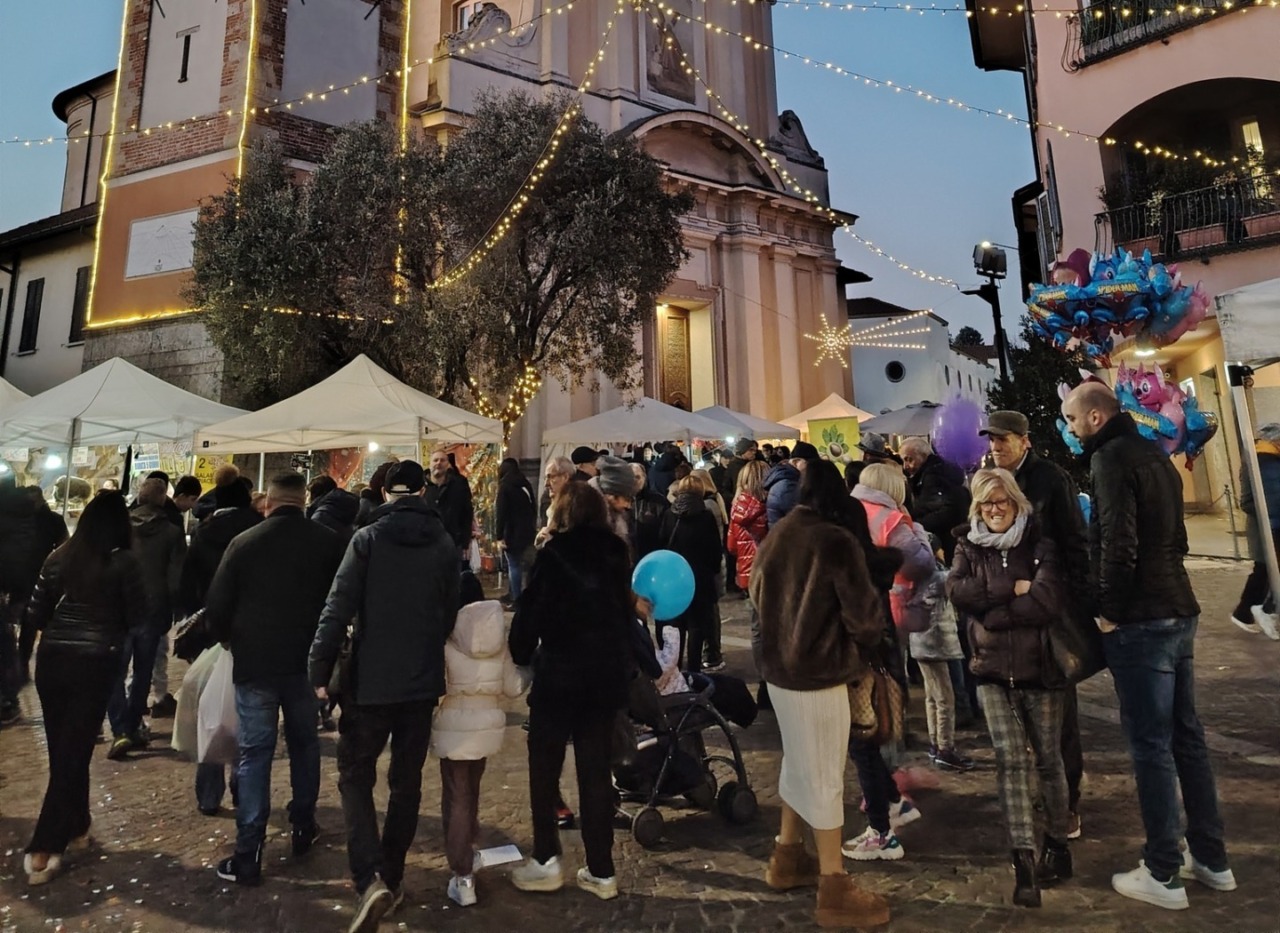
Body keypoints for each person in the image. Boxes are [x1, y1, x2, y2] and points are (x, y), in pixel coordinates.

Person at [1062, 382, 1234, 909]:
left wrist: (1108, 610)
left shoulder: (1111, 458)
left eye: (1071, 418)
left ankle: (1163, 870)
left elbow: (1116, 538)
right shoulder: (1154, 455)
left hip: (1141, 619)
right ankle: (1211, 858)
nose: (1068, 428)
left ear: (1095, 417)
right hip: (1177, 607)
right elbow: (1174, 538)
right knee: (1187, 738)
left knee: (1152, 746)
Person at [309, 460, 460, 932]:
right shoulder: (442, 543)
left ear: (388, 493)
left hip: (371, 679)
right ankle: (391, 876)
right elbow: (449, 613)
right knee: (406, 780)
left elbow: (339, 604)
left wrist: (318, 667)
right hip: (420, 680)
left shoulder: (368, 539)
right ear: (420, 491)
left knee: (355, 775)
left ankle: (367, 875)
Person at [750, 461, 892, 930]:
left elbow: (754, 591)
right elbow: (865, 617)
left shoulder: (779, 534)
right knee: (827, 775)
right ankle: (834, 885)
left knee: (797, 763)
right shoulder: (835, 541)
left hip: (779, 673)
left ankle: (787, 854)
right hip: (820, 673)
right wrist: (866, 649)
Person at [204, 473, 345, 887]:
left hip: (256, 663)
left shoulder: (245, 543)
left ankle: (249, 851)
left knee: (254, 753)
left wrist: (231, 640)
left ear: (269, 502)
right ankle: (303, 825)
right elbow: (339, 603)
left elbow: (218, 607)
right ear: (303, 500)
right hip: (305, 664)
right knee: (304, 745)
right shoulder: (327, 543)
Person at [947, 469, 1072, 908]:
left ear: (1017, 502)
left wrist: (996, 610)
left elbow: (1048, 601)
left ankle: (1058, 842)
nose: (994, 510)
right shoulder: (967, 545)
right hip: (991, 671)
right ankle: (1023, 861)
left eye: (1001, 502)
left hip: (1041, 670)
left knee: (1049, 762)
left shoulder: (1041, 544)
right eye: (986, 504)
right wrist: (1012, 591)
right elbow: (957, 591)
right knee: (1010, 761)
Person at [508, 482, 634, 901]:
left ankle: (547, 858)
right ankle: (602, 869)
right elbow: (622, 614)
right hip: (603, 677)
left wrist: (521, 650)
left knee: (544, 769)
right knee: (595, 773)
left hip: (560, 676)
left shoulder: (554, 555)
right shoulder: (616, 553)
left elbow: (532, 612)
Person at [19, 492, 148, 884]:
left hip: (53, 659)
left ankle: (78, 824)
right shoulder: (124, 562)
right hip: (96, 661)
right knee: (71, 753)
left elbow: (36, 613)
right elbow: (138, 616)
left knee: (66, 748)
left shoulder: (58, 557)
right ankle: (46, 844)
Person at [982, 409, 1090, 836]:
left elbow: (1075, 542)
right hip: (1007, 617)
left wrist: (1076, 601)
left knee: (1059, 713)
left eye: (1003, 439)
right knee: (1019, 713)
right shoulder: (988, 480)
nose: (995, 447)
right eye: (991, 440)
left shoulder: (1050, 478)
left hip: (1047, 611)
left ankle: (1067, 802)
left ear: (1024, 440)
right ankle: (1039, 793)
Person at [852, 463, 971, 771]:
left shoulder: (852, 512)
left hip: (863, 607)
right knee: (903, 682)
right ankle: (899, 757)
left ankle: (885, 753)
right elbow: (920, 564)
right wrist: (918, 530)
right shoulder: (889, 518)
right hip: (902, 605)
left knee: (877, 683)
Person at [431, 572, 528, 907]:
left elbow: (435, 689)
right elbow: (513, 687)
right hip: (487, 730)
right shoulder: (497, 639)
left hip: (452, 731)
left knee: (456, 796)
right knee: (471, 791)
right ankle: (469, 848)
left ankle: (463, 875)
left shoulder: (444, 638)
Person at [178, 476, 263, 816]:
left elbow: (187, 584)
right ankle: (243, 790)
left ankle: (208, 795)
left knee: (210, 713)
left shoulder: (203, 531)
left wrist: (193, 616)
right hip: (251, 631)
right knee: (247, 715)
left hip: (210, 628)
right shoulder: (259, 530)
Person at [106, 476, 186, 760]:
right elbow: (175, 578)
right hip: (153, 608)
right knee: (143, 671)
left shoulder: (119, 528)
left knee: (115, 671)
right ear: (163, 499)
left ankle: (120, 729)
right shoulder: (173, 532)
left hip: (120, 607)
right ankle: (130, 725)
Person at [1, 481, 68, 725]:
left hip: (25, 582)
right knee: (22, 629)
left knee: (17, 632)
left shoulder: (24, 520)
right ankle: (13, 686)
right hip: (28, 580)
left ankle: (10, 693)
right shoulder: (31, 521)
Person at [656, 476, 723, 673]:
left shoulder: (669, 514)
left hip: (675, 578)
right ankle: (694, 670)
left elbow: (661, 543)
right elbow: (714, 550)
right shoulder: (706, 516)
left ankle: (675, 668)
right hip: (700, 579)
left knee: (676, 626)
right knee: (697, 626)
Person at [150, 475, 202, 719]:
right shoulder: (169, 523)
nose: (192, 506)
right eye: (191, 500)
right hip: (158, 598)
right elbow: (176, 566)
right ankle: (158, 696)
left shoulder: (133, 519)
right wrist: (177, 599)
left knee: (143, 652)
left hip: (138, 596)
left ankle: (143, 697)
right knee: (156, 649)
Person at [1231, 423, 1280, 638]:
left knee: (1264, 570)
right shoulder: (1265, 461)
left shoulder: (1263, 458)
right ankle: (1263, 610)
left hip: (1268, 524)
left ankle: (1247, 612)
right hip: (1269, 525)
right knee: (1265, 570)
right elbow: (1272, 496)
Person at [900, 436, 970, 564]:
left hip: (943, 540)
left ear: (923, 456)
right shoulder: (936, 472)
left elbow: (940, 510)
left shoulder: (932, 477)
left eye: (909, 459)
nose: (906, 466)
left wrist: (916, 525)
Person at [690, 468, 727, 671]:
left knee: (710, 613)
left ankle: (712, 652)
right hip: (714, 564)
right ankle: (712, 651)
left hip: (709, 566)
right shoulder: (715, 500)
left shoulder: (708, 507)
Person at [495, 458, 538, 606]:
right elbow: (534, 507)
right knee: (526, 564)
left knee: (514, 565)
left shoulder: (505, 486)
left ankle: (516, 598)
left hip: (511, 532)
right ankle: (516, 594)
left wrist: (499, 536)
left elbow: (501, 513)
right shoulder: (525, 483)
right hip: (527, 531)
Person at [425, 449, 475, 568]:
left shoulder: (459, 484)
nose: (439, 463)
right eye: (435, 460)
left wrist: (465, 541)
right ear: (430, 463)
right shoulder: (421, 485)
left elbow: (467, 512)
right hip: (427, 541)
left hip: (453, 541)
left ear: (447, 464)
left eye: (442, 460)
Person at [727, 460, 769, 596]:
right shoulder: (769, 505)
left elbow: (731, 546)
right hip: (768, 566)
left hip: (746, 570)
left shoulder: (736, 508)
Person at [591, 456, 637, 551]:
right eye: (626, 499)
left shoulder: (619, 514)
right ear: (611, 495)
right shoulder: (587, 517)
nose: (627, 505)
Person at [630, 462, 670, 561]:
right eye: (630, 478)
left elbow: (667, 531)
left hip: (652, 556)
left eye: (637, 477)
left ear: (644, 478)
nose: (635, 481)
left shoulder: (658, 501)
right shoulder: (619, 501)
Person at [537, 455, 575, 536]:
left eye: (551, 477)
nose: (546, 484)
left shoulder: (576, 506)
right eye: (545, 478)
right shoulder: (551, 501)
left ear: (565, 477)